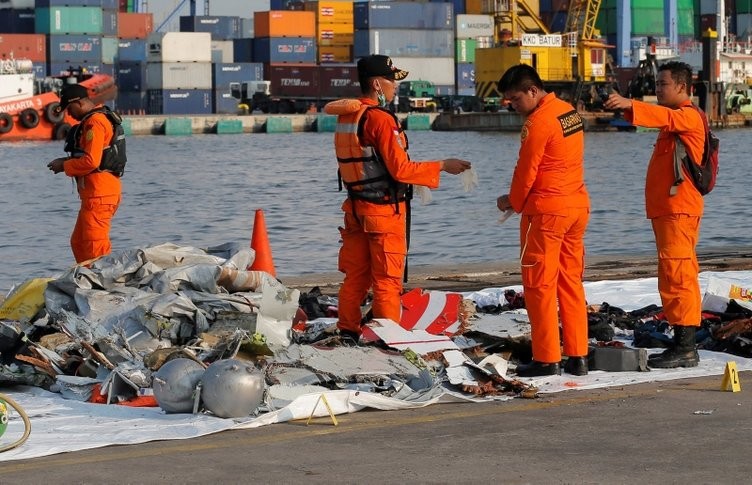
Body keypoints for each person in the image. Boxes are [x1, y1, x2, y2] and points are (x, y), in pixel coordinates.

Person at [324, 55, 471, 341]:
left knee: (355, 277)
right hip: (383, 215)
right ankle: (387, 340)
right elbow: (401, 169)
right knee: (387, 281)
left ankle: (347, 331)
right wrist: (442, 166)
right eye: (392, 81)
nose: (395, 88)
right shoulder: (380, 120)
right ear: (377, 83)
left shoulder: (347, 116)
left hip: (355, 210)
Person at [604, 61, 705, 368]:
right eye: (657, 84)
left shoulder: (687, 117)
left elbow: (660, 115)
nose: (658, 89)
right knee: (673, 275)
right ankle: (681, 343)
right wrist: (625, 109)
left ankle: (686, 347)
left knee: (679, 276)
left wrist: (630, 104)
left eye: (663, 84)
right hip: (668, 212)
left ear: (683, 88)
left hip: (678, 212)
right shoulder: (673, 123)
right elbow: (659, 118)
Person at [496, 64, 591, 377]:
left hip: (547, 212)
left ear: (532, 91)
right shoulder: (569, 113)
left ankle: (547, 358)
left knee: (539, 285)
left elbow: (526, 171)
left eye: (514, 99)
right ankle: (578, 356)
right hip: (575, 207)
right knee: (571, 282)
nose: (510, 105)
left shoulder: (538, 123)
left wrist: (513, 202)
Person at [47, 83, 126, 264]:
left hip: (100, 194)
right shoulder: (93, 120)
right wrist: (66, 161)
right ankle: (87, 278)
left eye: (70, 108)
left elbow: (91, 161)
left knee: (94, 245)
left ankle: (103, 285)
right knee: (79, 242)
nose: (69, 114)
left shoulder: (94, 123)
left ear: (80, 103)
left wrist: (64, 166)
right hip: (94, 195)